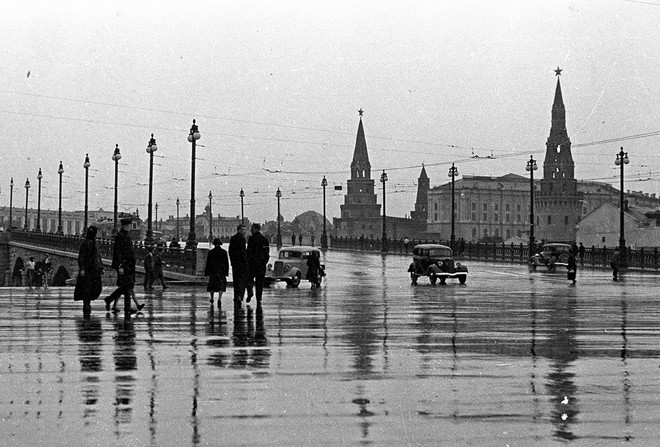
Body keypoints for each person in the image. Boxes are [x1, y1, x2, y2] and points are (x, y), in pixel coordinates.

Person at [104, 218, 144, 315]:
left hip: (129, 265)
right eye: (130, 225)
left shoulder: (125, 235)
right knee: (127, 285)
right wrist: (120, 265)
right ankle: (124, 305)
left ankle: (114, 301)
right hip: (124, 265)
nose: (131, 226)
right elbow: (118, 252)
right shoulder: (120, 236)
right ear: (125, 225)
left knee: (127, 286)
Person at [75, 226, 104, 315]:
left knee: (94, 287)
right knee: (86, 288)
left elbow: (98, 256)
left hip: (95, 269)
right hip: (88, 269)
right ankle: (86, 304)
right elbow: (81, 257)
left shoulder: (95, 243)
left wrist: (101, 267)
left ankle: (88, 302)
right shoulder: (85, 243)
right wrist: (82, 268)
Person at [246, 223, 270, 305]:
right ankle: (258, 298)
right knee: (259, 282)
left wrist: (249, 262)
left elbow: (248, 252)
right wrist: (264, 262)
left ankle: (250, 291)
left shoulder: (251, 239)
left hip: (252, 264)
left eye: (252, 229)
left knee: (249, 279)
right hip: (261, 265)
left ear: (255, 229)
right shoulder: (264, 239)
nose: (251, 230)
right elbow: (267, 253)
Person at [229, 224, 249, 307]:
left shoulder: (233, 238)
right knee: (242, 281)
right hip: (242, 264)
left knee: (236, 281)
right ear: (239, 230)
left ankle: (236, 296)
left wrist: (233, 262)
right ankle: (240, 296)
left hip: (235, 264)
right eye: (243, 229)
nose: (245, 231)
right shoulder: (242, 239)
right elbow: (243, 253)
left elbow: (230, 251)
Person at [205, 238, 229, 308]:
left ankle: (212, 298)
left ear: (214, 244)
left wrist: (207, 273)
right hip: (221, 271)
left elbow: (208, 263)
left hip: (213, 271)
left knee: (212, 285)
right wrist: (226, 272)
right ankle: (219, 298)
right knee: (221, 285)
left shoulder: (211, 252)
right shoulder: (224, 252)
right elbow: (226, 263)